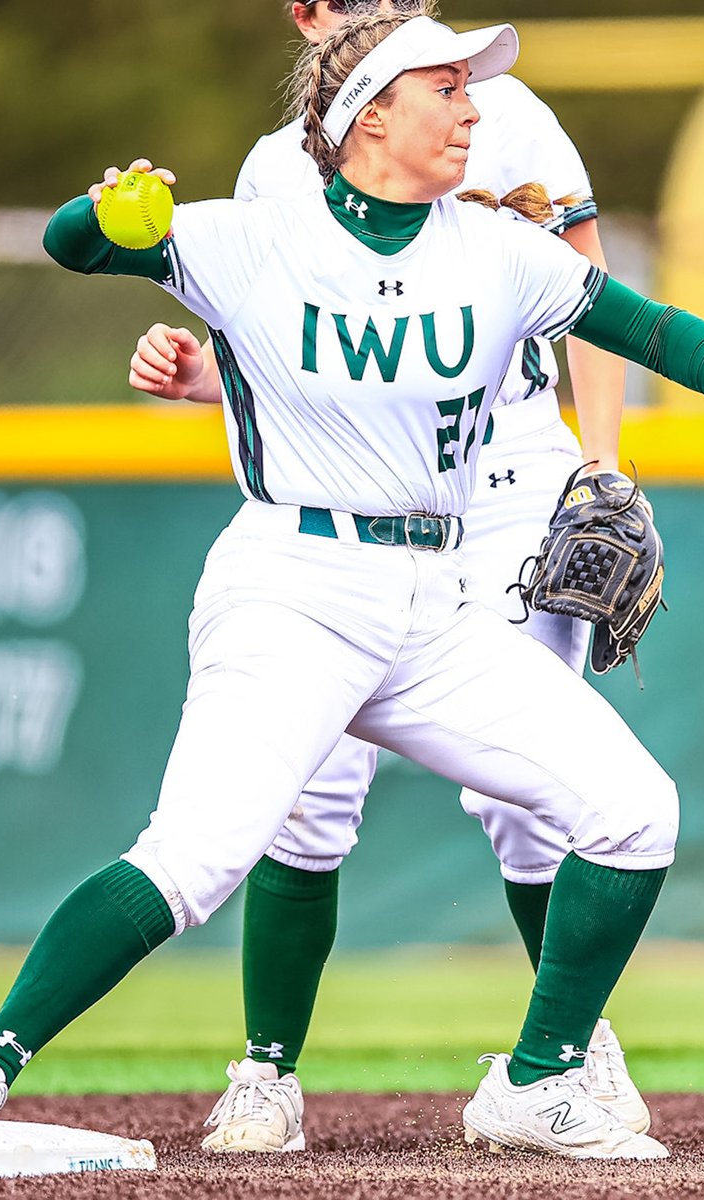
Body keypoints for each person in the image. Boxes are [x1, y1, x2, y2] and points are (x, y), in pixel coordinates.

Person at [0, 12, 704, 1160]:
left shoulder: (494, 246)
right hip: (293, 584)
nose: (472, 109)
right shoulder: (260, 236)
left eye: (469, 87)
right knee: (198, 856)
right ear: (369, 118)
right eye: (446, 87)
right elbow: (74, 247)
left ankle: (539, 1079)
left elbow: (644, 326)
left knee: (634, 810)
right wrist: (106, 214)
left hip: (432, 599)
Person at [129, 0, 639, 1154]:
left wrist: (601, 465)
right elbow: (286, 342)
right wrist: (201, 372)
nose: (379, 10)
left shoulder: (503, 115)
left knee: (532, 790)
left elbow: (594, 295)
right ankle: (267, 1073)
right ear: (303, 15)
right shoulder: (274, 171)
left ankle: (570, 1053)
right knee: (305, 797)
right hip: (350, 493)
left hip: (507, 474)